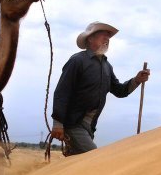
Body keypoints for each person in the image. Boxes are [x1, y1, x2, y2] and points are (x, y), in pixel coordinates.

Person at [51, 21, 150, 155]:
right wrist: (57, 123)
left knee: (77, 166)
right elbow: (62, 92)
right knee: (93, 157)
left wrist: (137, 80)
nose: (107, 39)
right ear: (90, 38)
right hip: (74, 124)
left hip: (90, 127)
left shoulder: (107, 66)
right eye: (103, 35)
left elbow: (120, 91)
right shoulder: (77, 61)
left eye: (108, 38)